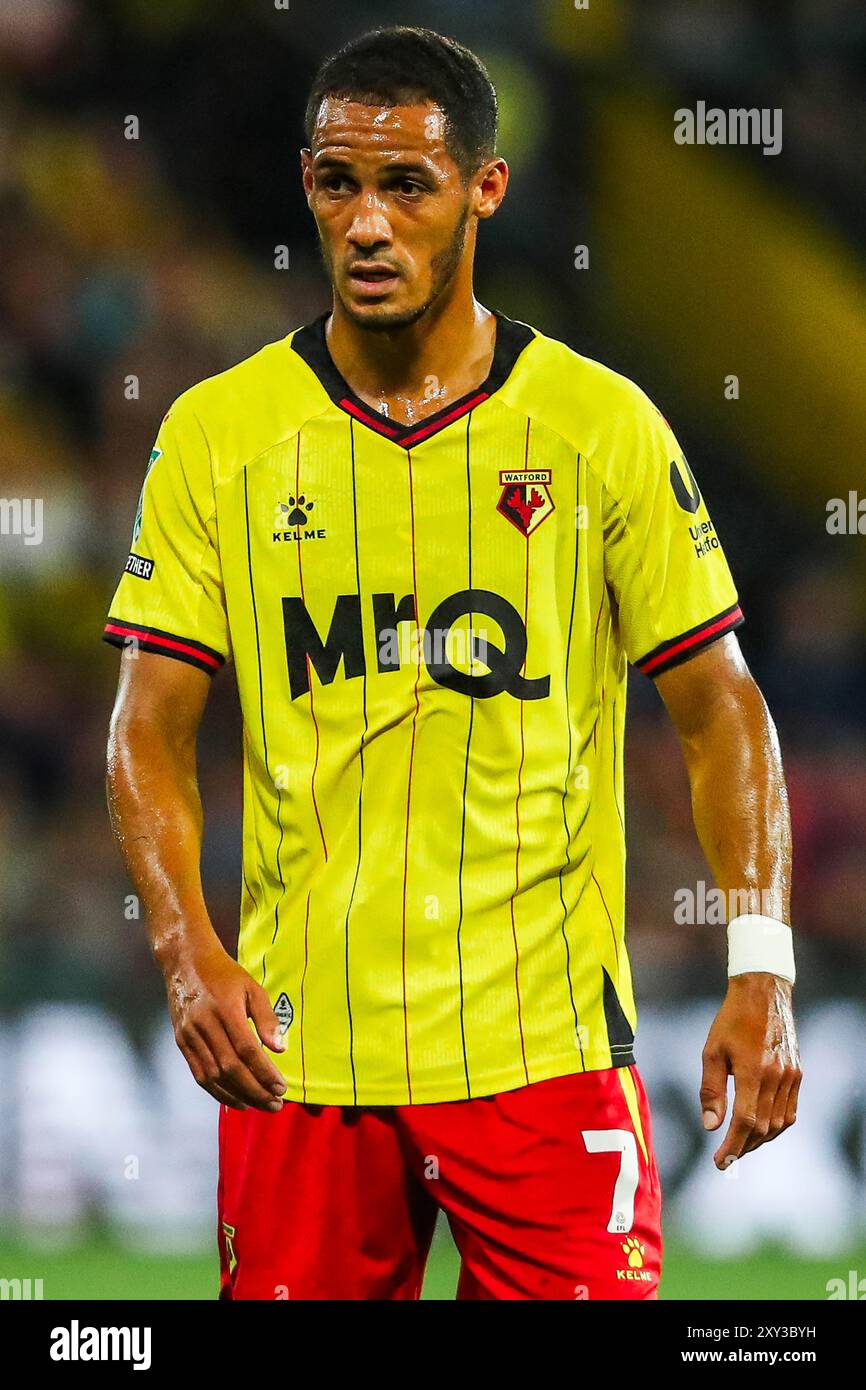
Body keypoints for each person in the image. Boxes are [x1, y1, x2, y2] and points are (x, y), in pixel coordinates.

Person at [104, 25, 800, 1300]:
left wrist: (760, 963)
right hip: (299, 1059)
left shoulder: (598, 426)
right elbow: (145, 726)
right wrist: (184, 947)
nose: (365, 225)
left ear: (484, 188)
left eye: (405, 187)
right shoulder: (218, 436)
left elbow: (720, 709)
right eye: (335, 185)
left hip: (544, 1052)